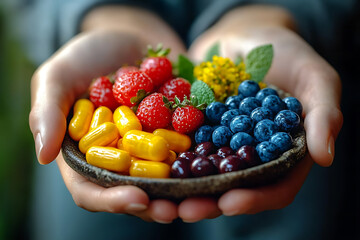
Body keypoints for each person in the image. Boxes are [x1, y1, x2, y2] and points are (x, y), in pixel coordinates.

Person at [19, 0, 356, 239]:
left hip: (310, 62)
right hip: (107, 153)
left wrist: (277, 11)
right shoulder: (118, 115)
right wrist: (103, 13)